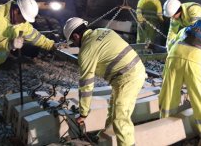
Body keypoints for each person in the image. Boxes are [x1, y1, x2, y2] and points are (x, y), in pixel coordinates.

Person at [0, 0, 59, 145]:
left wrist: (52, 45)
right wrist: (9, 43)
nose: (23, 22)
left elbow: (34, 36)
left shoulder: (21, 22)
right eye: (23, 18)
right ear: (15, 11)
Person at [63, 17, 146, 146]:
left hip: (128, 77)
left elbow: (86, 85)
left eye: (73, 41)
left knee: (120, 119)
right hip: (133, 70)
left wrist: (83, 113)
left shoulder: (86, 51)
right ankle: (104, 140)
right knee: (113, 111)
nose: (74, 44)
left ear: (76, 36)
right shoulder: (103, 31)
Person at [159, 19, 201, 145]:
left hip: (174, 53)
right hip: (195, 60)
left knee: (168, 96)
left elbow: (170, 44)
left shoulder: (185, 30)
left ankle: (165, 133)